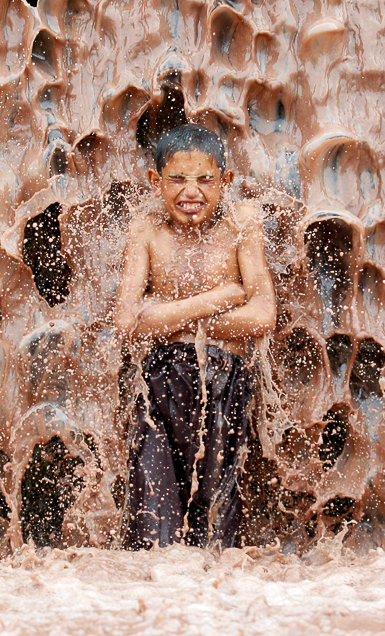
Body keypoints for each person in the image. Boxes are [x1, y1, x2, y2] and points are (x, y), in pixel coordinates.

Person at [115, 124, 277, 549]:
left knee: (216, 526)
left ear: (226, 181)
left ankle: (213, 609)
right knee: (151, 528)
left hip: (224, 383)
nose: (192, 191)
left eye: (206, 179)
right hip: (156, 387)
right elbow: (127, 323)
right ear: (155, 182)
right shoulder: (145, 228)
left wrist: (168, 321)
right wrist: (219, 298)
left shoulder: (243, 223)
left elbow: (262, 314)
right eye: (177, 179)